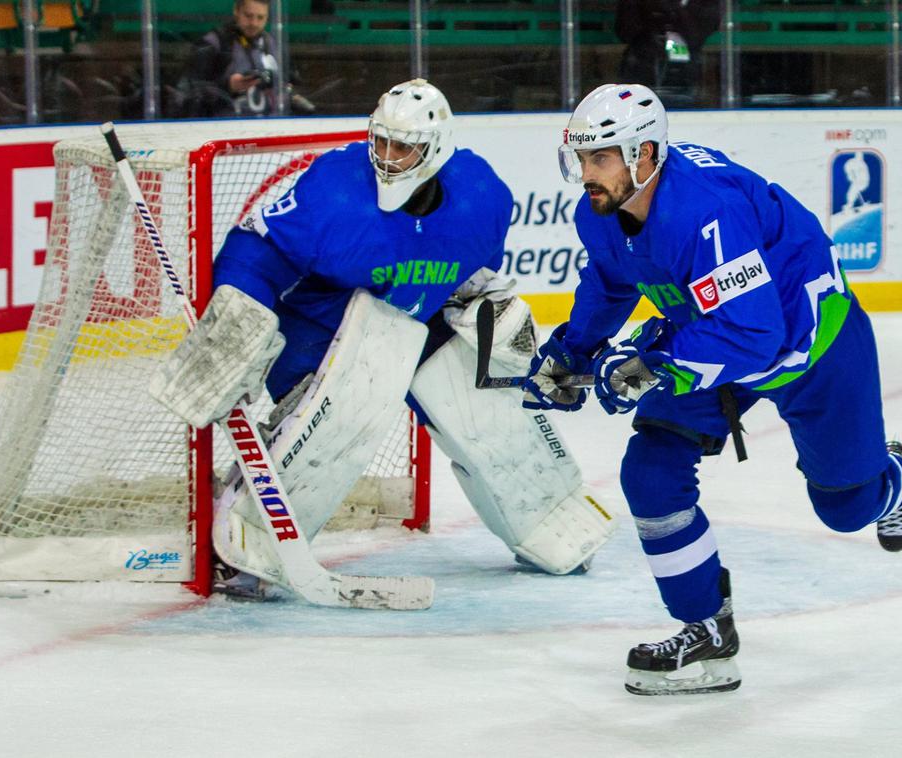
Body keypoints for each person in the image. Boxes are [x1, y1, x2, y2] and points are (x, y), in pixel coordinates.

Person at [149, 79, 616, 599]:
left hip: (419, 313)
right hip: (321, 320)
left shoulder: (482, 196)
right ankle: (246, 540)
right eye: (382, 141)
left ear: (436, 150)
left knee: (485, 405)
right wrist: (240, 308)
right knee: (344, 412)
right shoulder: (333, 192)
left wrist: (489, 306)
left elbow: (473, 270)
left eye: (404, 146)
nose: (388, 158)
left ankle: (546, 516)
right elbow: (255, 247)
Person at [524, 83, 902, 695]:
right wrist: (573, 351)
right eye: (581, 158)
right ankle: (706, 631)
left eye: (599, 158)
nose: (585, 174)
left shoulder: (702, 212)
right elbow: (611, 280)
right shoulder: (599, 211)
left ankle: (889, 480)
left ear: (645, 155)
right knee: (651, 470)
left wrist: (653, 366)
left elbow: (758, 336)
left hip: (810, 348)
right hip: (710, 333)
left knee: (846, 509)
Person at [183, 0, 314, 117]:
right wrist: (227, 86)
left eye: (261, 17)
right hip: (224, 128)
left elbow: (292, 81)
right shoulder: (215, 43)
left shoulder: (273, 44)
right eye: (248, 16)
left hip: (270, 126)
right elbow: (191, 91)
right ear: (236, 11)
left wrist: (282, 86)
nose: (254, 23)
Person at [614, 0, 719, 107]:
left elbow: (697, 35)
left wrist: (675, 9)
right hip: (641, 72)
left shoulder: (703, 4)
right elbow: (625, 32)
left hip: (685, 78)